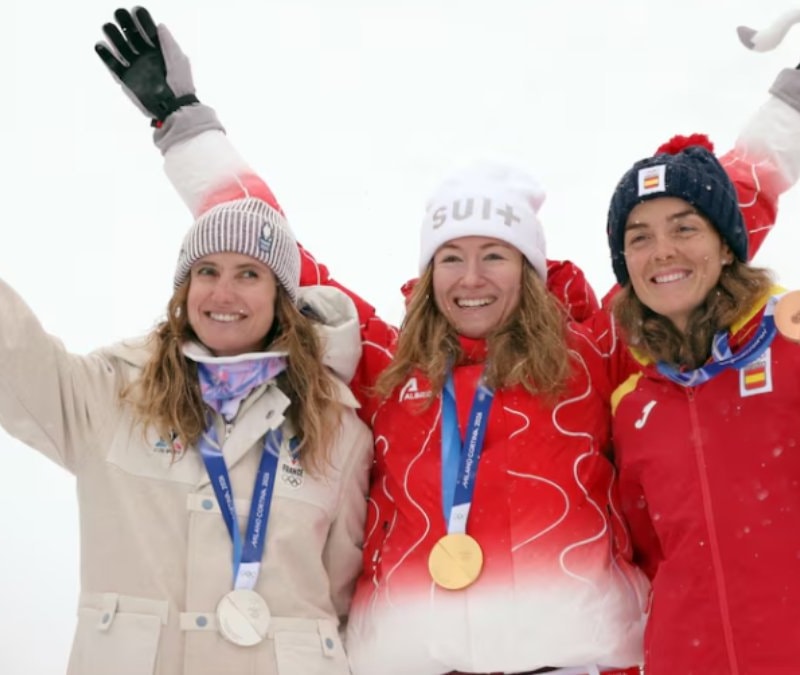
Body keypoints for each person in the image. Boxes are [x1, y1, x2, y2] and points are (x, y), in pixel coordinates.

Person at [95, 7, 651, 674]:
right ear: (428, 270)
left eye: (495, 256)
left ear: (530, 271)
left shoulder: (591, 355)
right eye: (451, 257)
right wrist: (183, 123)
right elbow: (275, 250)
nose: (470, 279)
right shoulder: (390, 365)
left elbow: (688, 253)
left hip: (572, 660)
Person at [0, 92, 373, 675]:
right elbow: (13, 360)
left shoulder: (338, 430)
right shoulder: (113, 394)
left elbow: (344, 601)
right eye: (207, 272)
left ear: (281, 300)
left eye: (249, 274)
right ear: (184, 288)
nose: (223, 294)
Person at [593, 77, 800, 674]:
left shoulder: (788, 337)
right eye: (640, 237)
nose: (663, 251)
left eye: (684, 228)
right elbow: (648, 558)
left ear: (728, 244)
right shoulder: (635, 404)